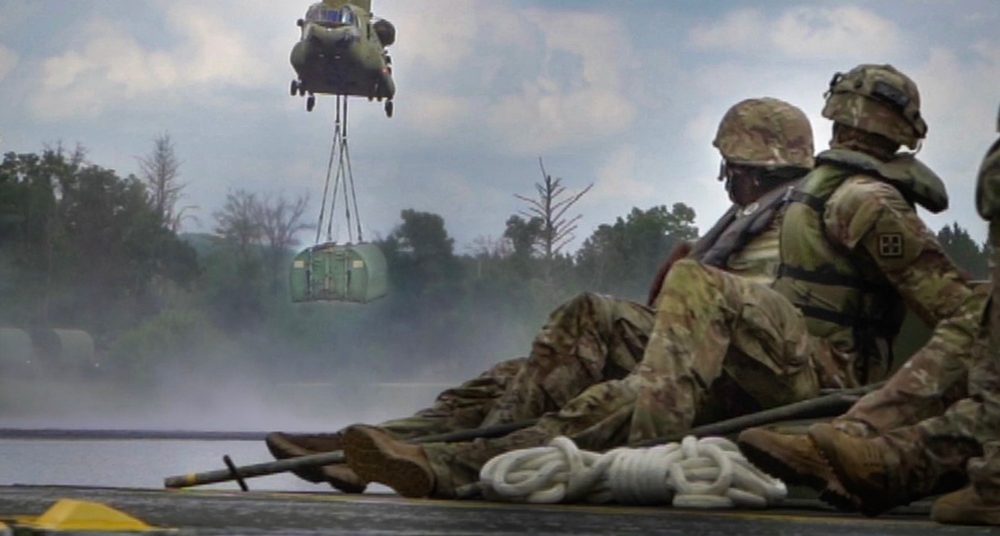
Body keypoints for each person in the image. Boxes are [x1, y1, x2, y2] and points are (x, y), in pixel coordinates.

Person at [339, 64, 983, 501]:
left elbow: (965, 316)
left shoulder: (864, 202)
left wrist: (881, 417)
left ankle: (641, 445)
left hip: (824, 377)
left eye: (850, 123)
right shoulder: (783, 207)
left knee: (691, 296)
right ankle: (450, 453)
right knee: (591, 325)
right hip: (751, 361)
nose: (844, 131)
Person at [267, 96, 815, 493]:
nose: (728, 182)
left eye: (736, 171)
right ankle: (365, 448)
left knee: (598, 393)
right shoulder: (740, 225)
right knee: (515, 374)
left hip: (747, 379)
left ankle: (449, 463)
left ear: (751, 169)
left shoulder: (809, 220)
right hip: (694, 364)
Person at [739, 106, 1000, 522]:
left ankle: (870, 449)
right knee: (976, 324)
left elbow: (953, 306)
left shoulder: (859, 198)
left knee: (973, 324)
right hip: (815, 362)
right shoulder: (829, 194)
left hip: (837, 364)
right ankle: (878, 457)